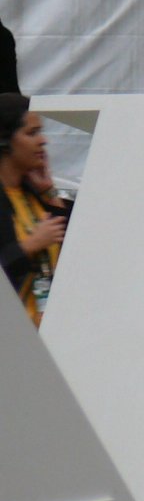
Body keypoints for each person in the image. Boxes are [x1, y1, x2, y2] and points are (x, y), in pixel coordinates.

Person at [0, 94, 71, 328]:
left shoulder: (36, 195)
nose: (43, 141)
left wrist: (50, 193)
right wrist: (30, 245)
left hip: (51, 337)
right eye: (31, 133)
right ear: (5, 141)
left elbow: (76, 254)